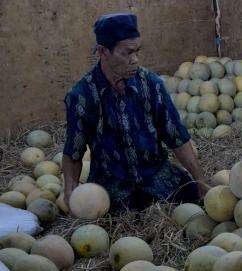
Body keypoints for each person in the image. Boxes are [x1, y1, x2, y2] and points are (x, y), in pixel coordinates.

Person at [62, 13, 208, 212]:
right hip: (112, 184)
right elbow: (74, 152)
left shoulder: (151, 85)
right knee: (113, 217)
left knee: (190, 198)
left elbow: (177, 136)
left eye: (137, 51)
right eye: (127, 53)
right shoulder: (82, 96)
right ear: (103, 52)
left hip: (155, 174)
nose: (135, 60)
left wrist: (201, 181)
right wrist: (71, 194)